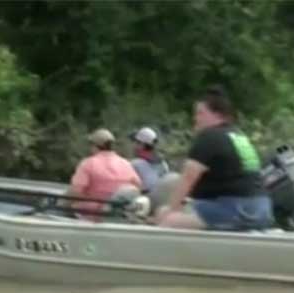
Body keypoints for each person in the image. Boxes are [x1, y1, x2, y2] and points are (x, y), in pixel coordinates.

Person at [155, 86, 273, 230]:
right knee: (183, 210)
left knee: (169, 220)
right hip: (262, 210)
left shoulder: (209, 136)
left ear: (217, 114)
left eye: (200, 113)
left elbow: (187, 178)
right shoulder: (238, 135)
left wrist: (169, 211)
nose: (195, 118)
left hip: (237, 210)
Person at [69, 128, 142, 219]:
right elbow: (137, 187)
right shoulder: (126, 164)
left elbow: (75, 192)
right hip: (118, 214)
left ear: (94, 146)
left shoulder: (88, 164)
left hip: (91, 214)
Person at [129, 126, 169, 192]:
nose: (134, 145)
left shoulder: (135, 164)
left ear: (142, 144)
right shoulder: (163, 164)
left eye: (136, 142)